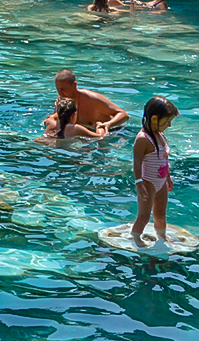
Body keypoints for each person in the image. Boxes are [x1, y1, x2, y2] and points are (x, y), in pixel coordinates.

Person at [130, 96, 179, 248]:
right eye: (167, 121)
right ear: (154, 118)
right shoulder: (143, 139)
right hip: (148, 182)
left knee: (160, 214)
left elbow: (164, 159)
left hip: (161, 181)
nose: (169, 125)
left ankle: (162, 236)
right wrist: (139, 183)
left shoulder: (160, 135)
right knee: (144, 216)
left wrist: (168, 178)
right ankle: (136, 236)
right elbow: (137, 162)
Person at [51, 70, 129, 131]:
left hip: (112, 132)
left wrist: (108, 124)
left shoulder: (92, 99)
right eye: (58, 89)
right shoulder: (62, 102)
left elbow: (124, 114)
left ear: (74, 85)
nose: (60, 93)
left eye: (63, 89)